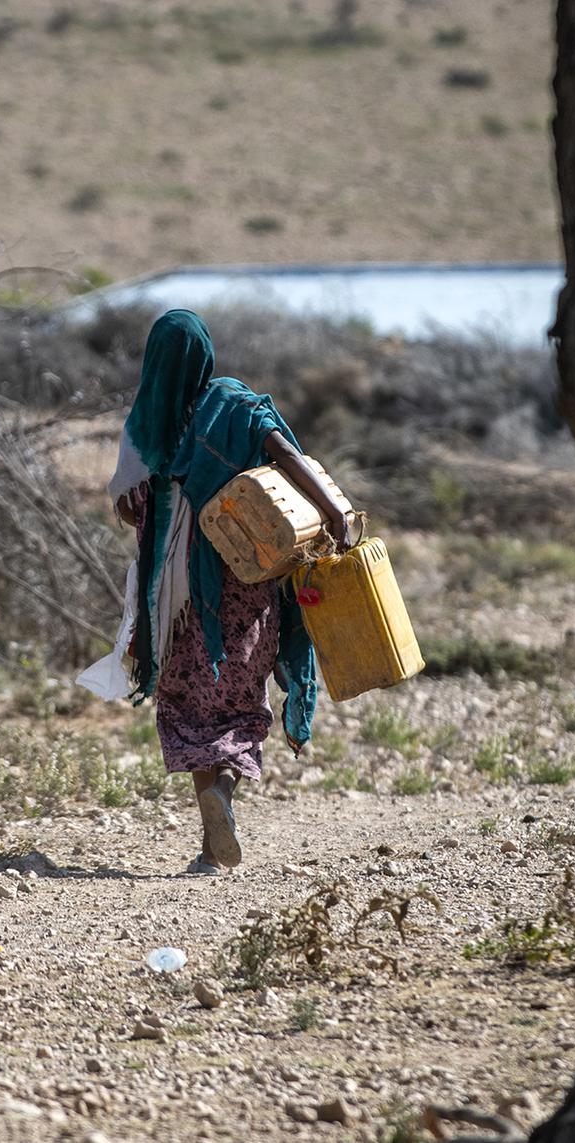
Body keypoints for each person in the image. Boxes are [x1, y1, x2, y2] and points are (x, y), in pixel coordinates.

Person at [105, 310, 350, 875]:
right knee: (240, 692)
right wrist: (334, 509)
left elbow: (126, 506)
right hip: (244, 577)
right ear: (206, 354)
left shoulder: (147, 423)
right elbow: (286, 456)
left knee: (190, 700)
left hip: (175, 595)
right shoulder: (232, 406)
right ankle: (226, 791)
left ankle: (209, 830)